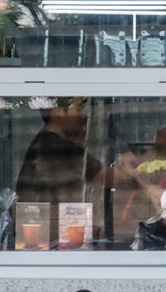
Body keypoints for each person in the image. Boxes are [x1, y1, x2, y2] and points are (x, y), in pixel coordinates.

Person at [15, 96, 104, 246]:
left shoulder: (44, 142)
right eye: (78, 109)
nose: (84, 116)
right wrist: (132, 161)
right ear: (58, 112)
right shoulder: (58, 147)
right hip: (52, 241)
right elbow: (109, 177)